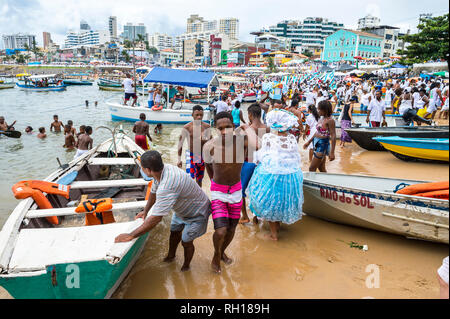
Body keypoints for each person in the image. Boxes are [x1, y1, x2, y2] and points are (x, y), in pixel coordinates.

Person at [115, 151, 211, 273]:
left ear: (148, 170)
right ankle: (171, 256)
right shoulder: (161, 172)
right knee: (174, 232)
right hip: (182, 209)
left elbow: (156, 219)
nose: (142, 170)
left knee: (186, 241)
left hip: (197, 213)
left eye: (142, 168)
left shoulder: (167, 186)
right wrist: (145, 211)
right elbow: (153, 192)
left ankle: (186, 266)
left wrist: (131, 235)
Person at [247, 109, 304, 241]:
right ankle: (277, 226)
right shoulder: (291, 138)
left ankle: (273, 235)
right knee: (283, 201)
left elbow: (262, 155)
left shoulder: (268, 137)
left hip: (271, 174)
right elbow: (296, 157)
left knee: (271, 203)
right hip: (291, 175)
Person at [203, 112, 248, 274]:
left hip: (236, 192)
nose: (224, 132)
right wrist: (215, 184)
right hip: (218, 193)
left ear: (233, 127)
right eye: (220, 128)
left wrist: (246, 128)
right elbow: (209, 168)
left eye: (228, 127)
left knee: (231, 229)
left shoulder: (242, 142)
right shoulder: (209, 146)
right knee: (220, 230)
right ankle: (216, 255)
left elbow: (259, 144)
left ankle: (222, 252)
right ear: (216, 129)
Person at [237, 103, 270, 224]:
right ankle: (257, 216)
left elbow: (241, 148)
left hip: (249, 162)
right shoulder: (267, 128)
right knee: (258, 189)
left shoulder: (248, 129)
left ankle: (244, 216)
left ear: (250, 115)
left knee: (240, 191)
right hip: (263, 163)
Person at [177, 105, 212, 187]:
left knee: (199, 179)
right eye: (197, 115)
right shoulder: (187, 127)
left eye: (201, 115)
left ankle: (199, 197)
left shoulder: (207, 126)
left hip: (202, 155)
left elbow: (211, 142)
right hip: (191, 155)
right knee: (190, 178)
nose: (199, 117)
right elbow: (180, 143)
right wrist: (179, 159)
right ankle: (190, 197)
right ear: (192, 115)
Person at [303, 100, 336, 172]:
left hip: (323, 145)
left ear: (325, 110)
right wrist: (309, 142)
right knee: (321, 168)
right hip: (316, 143)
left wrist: (332, 152)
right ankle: (326, 182)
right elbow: (317, 132)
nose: (318, 111)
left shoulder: (330, 120)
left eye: (319, 109)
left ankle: (313, 182)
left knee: (311, 168)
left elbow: (333, 136)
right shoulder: (321, 118)